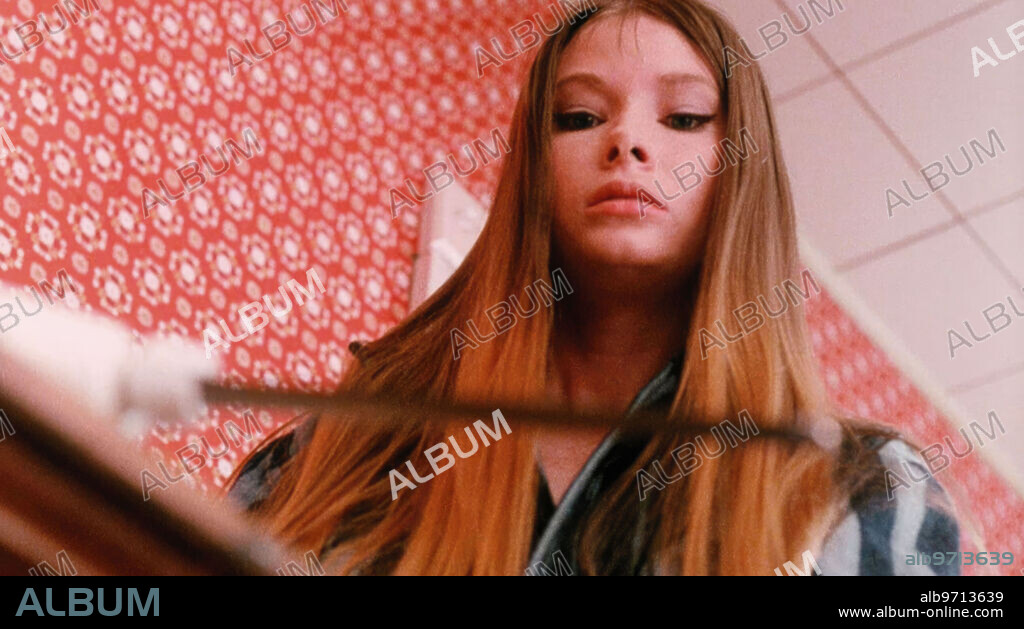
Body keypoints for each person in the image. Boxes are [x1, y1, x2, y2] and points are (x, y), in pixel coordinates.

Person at [225, 0, 959, 575]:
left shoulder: (867, 491)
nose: (625, 142)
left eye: (683, 117)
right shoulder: (352, 446)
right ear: (532, 170)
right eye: (578, 117)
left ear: (741, 169)